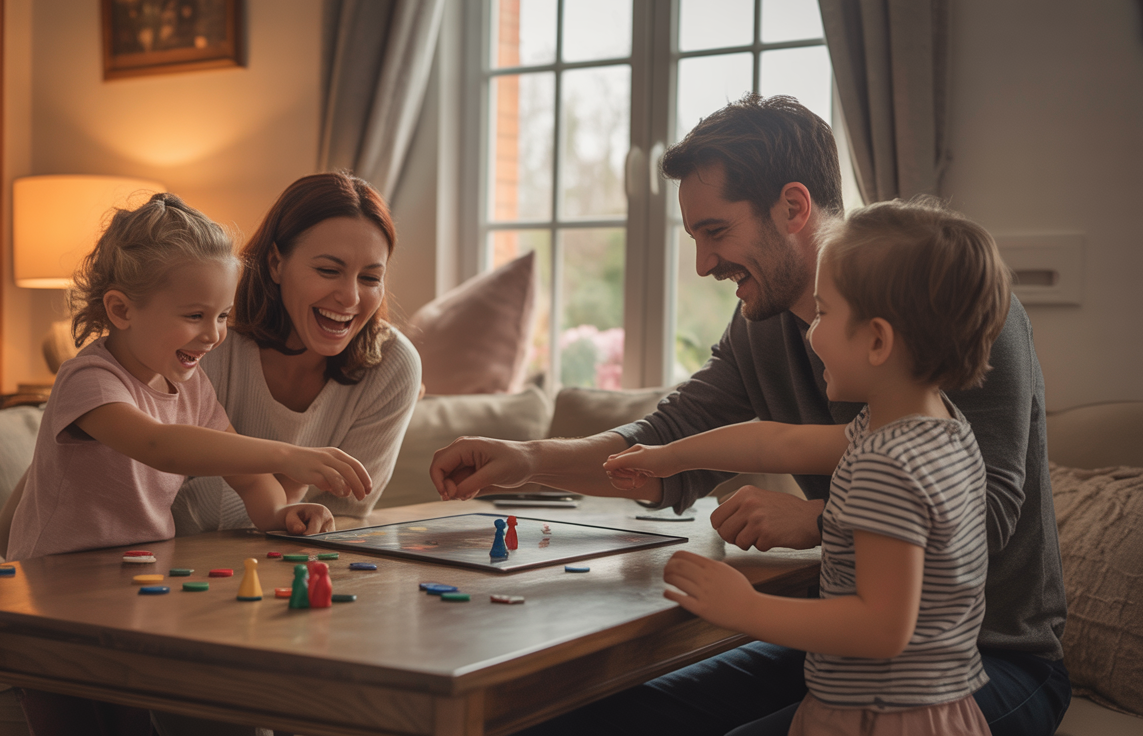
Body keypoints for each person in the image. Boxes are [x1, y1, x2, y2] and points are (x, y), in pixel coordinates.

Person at [429, 94, 1069, 736]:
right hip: (838, 654)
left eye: (716, 232)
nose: (705, 263)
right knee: (579, 721)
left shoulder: (948, 310)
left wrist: (814, 519)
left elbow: (982, 516)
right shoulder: (760, 328)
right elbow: (678, 442)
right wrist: (528, 460)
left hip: (983, 662)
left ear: (792, 207)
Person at [604, 198, 1005, 735]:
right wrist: (668, 455)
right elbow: (778, 445)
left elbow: (882, 627)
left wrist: (743, 607)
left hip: (879, 717)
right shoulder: (933, 429)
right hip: (932, 707)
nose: (810, 332)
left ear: (878, 340)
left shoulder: (888, 464)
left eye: (822, 313)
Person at [5, 192, 370, 736]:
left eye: (222, 315)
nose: (215, 334)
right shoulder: (88, 379)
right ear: (122, 310)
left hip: (128, 590)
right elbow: (160, 445)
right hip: (53, 594)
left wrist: (279, 514)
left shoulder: (188, 383)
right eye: (194, 316)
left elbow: (247, 477)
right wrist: (289, 453)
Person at [169, 171, 422, 533]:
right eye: (327, 270)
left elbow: (343, 511)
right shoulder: (209, 340)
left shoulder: (394, 365)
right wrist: (293, 484)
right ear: (276, 263)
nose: (350, 298)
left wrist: (273, 493)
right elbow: (180, 502)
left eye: (369, 278)